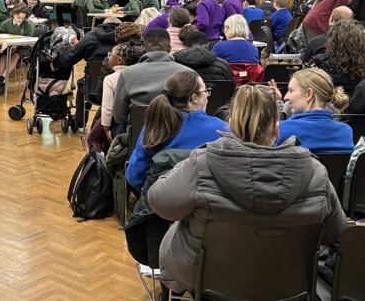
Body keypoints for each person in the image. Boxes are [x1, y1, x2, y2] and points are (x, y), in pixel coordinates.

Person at [149, 84, 348, 296]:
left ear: (230, 124)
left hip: (207, 279)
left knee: (176, 228)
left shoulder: (201, 165)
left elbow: (161, 204)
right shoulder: (316, 171)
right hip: (288, 281)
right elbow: (334, 231)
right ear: (276, 129)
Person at [126, 71, 228, 188]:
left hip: (162, 198)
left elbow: (135, 178)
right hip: (210, 197)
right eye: (206, 91)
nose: (207, 95)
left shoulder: (155, 127)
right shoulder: (223, 129)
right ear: (194, 98)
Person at [111, 29, 193, 136]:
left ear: (143, 48)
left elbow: (119, 117)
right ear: (170, 48)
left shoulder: (127, 74)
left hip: (139, 137)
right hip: (178, 137)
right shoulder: (188, 73)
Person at [271, 68, 353, 153]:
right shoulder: (346, 131)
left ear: (309, 94)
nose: (285, 97)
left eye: (291, 90)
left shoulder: (280, 129)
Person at [305, 19, 365, 94]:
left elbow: (304, 82)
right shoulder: (361, 66)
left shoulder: (319, 62)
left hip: (326, 99)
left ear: (332, 41)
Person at [0, 5, 35, 96]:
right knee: (3, 56)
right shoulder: (8, 22)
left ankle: (1, 78)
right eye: (18, 17)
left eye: (23, 18)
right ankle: (2, 83)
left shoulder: (28, 25)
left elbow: (28, 41)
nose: (20, 20)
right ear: (13, 14)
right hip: (12, 46)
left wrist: (16, 45)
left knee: (15, 55)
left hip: (25, 47)